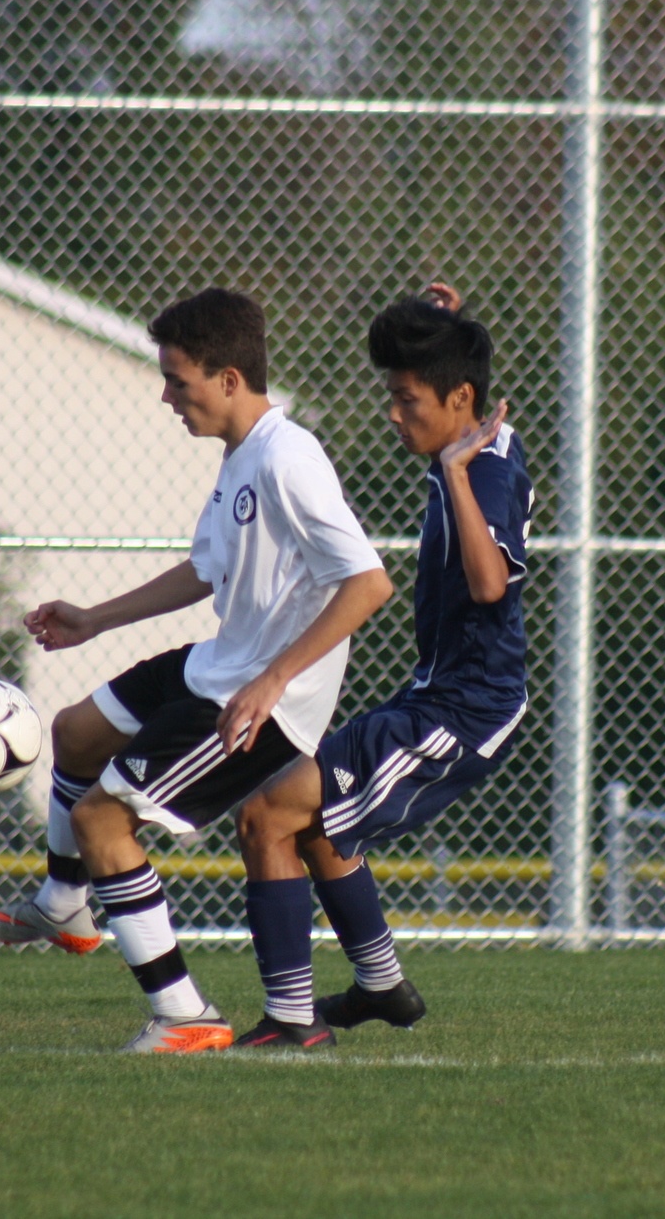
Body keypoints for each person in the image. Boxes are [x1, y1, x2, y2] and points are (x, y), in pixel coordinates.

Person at [0, 287, 393, 1054]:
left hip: (255, 700)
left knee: (102, 818)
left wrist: (272, 683)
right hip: (220, 666)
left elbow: (368, 582)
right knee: (76, 731)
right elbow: (203, 570)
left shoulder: (289, 459)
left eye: (178, 379)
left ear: (229, 378)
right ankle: (66, 903)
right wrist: (95, 617)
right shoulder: (242, 456)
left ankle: (184, 1014)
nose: (166, 396)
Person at [228, 284, 533, 1049]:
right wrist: (441, 325)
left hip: (464, 712)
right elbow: (470, 394)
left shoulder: (478, 468)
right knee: (321, 821)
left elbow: (491, 583)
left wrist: (458, 475)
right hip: (438, 694)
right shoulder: (473, 437)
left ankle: (294, 1023)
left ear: (460, 398)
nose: (393, 414)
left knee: (269, 813)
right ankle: (381, 984)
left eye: (406, 398)